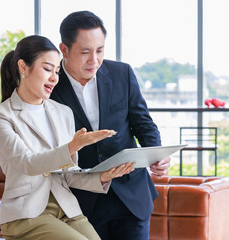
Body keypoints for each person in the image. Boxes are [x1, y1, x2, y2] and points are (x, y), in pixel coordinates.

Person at [0, 35, 134, 240]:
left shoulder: (62, 112)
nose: (55, 78)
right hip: (26, 214)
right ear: (23, 67)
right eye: (47, 69)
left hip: (67, 209)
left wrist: (102, 177)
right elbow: (27, 164)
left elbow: (66, 173)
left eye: (57, 71)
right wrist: (72, 147)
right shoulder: (0, 116)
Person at [49, 11, 171, 240]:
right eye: (85, 52)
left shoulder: (121, 73)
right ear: (63, 50)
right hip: (81, 201)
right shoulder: (51, 87)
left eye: (100, 50)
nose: (94, 60)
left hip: (130, 196)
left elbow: (143, 122)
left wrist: (156, 153)